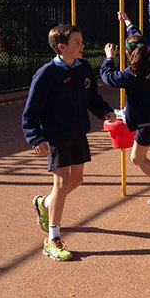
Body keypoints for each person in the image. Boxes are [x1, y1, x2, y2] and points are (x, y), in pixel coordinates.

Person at [22, 24, 116, 261]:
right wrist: (36, 137)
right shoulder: (46, 74)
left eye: (82, 41)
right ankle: (52, 239)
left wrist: (104, 111)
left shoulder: (83, 67)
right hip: (56, 135)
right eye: (77, 43)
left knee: (76, 180)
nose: (82, 46)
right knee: (62, 183)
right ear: (62, 47)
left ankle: (44, 203)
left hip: (78, 133)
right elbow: (31, 111)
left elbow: (91, 97)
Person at [100, 12, 150, 204]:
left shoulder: (131, 74)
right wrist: (128, 22)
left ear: (128, 54)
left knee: (137, 159)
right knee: (135, 104)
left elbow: (108, 77)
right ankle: (127, 115)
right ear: (145, 48)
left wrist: (109, 58)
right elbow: (139, 38)